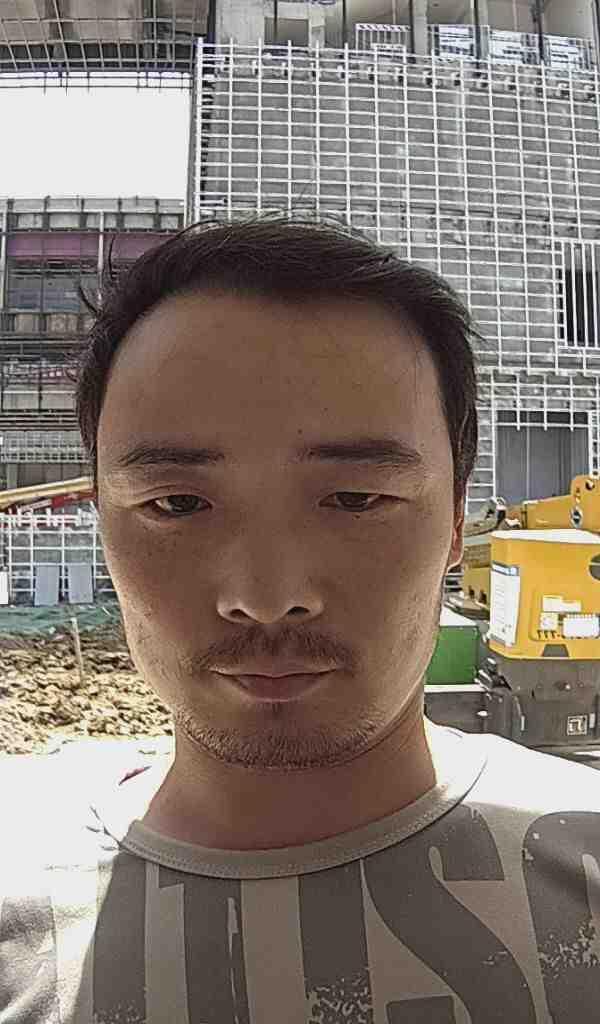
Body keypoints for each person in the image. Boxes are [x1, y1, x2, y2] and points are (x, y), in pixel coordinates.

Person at [1, 215, 599, 1022]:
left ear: (457, 520)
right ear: (103, 518)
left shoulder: (585, 861)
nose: (266, 594)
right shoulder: (19, 922)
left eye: (355, 499)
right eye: (177, 504)